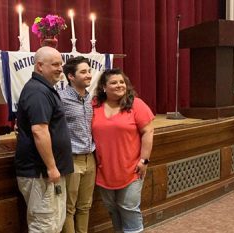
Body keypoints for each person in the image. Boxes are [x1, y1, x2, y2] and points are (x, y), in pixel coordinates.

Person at [15, 47, 74, 233]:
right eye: (55, 64)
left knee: (54, 223)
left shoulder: (44, 89)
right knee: (44, 226)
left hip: (47, 173)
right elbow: (39, 130)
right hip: (41, 173)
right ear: (39, 66)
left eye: (61, 64)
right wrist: (51, 166)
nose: (60, 68)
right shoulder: (38, 91)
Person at [92, 68, 154, 233]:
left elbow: (148, 131)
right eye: (114, 82)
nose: (119, 85)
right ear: (104, 87)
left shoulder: (136, 104)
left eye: (122, 82)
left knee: (128, 207)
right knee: (112, 208)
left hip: (131, 168)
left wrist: (144, 160)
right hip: (104, 170)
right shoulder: (95, 105)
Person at [59, 56, 96, 233]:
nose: (88, 75)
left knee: (85, 206)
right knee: (68, 208)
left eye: (89, 71)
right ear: (71, 76)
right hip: (71, 160)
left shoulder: (91, 99)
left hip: (90, 159)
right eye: (83, 72)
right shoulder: (60, 98)